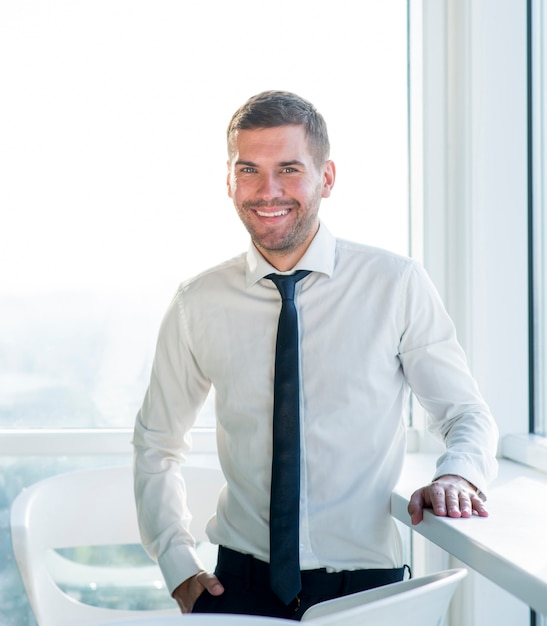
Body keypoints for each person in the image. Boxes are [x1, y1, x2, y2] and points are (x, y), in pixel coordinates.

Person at [133, 90, 498, 620]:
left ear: (327, 177)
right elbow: (156, 442)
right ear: (229, 181)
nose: (268, 191)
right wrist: (178, 567)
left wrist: (459, 475)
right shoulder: (198, 302)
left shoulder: (395, 285)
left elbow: (466, 414)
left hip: (367, 589)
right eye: (249, 170)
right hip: (234, 588)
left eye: (288, 169)